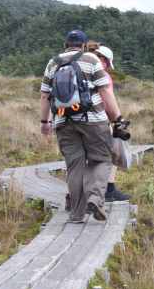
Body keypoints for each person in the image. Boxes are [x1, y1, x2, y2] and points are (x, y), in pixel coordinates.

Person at [40, 30, 127, 223]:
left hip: (63, 121)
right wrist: (117, 118)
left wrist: (45, 122)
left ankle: (76, 214)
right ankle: (95, 199)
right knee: (103, 159)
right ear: (84, 45)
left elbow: (45, 95)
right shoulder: (91, 59)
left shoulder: (53, 63)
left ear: (66, 44)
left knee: (74, 166)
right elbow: (105, 90)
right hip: (93, 120)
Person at [93, 44, 131, 203]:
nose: (108, 67)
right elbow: (107, 99)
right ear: (102, 59)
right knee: (111, 153)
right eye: (107, 63)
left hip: (71, 120)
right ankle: (108, 190)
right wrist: (117, 120)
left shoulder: (78, 69)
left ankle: (79, 194)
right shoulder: (102, 75)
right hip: (99, 120)